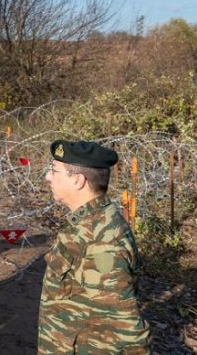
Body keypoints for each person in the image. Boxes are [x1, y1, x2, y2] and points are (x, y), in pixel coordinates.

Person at [39, 140, 151, 353]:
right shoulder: (86, 223)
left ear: (78, 181)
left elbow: (126, 331)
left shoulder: (104, 242)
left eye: (54, 171)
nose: (47, 177)